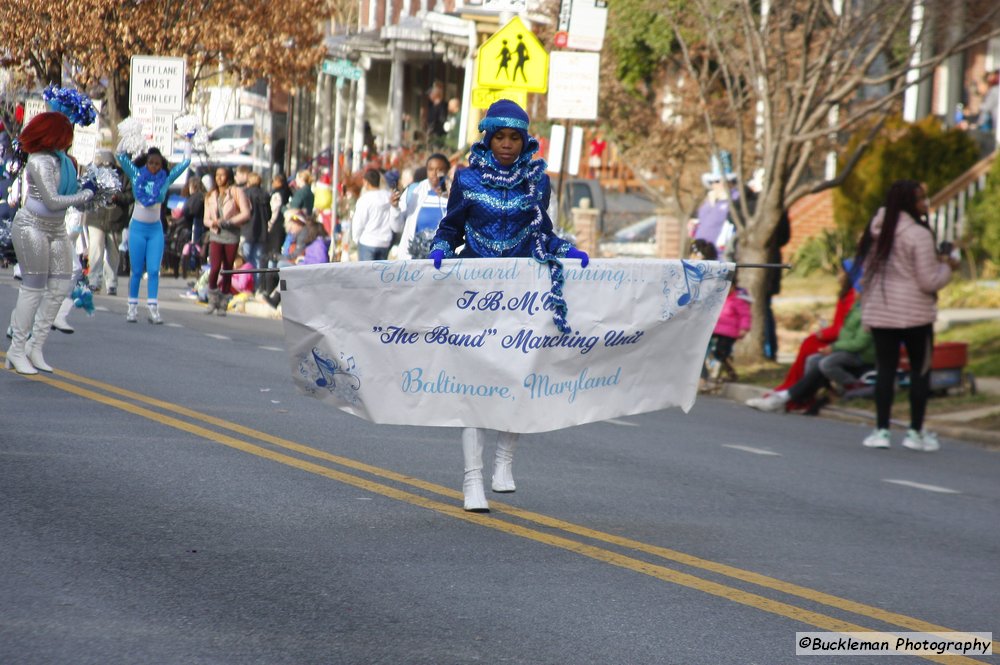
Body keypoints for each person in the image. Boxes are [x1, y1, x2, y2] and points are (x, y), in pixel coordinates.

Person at [427, 99, 589, 513]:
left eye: (514, 137)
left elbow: (543, 235)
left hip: (521, 293)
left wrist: (566, 251)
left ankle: (504, 463)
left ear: (524, 140)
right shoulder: (465, 179)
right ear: (488, 137)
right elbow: (451, 225)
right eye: (499, 136)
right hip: (474, 291)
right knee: (471, 384)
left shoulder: (537, 180)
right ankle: (471, 480)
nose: (506, 144)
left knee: (517, 377)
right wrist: (442, 246)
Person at [855, 180, 957, 452]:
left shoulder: (877, 231)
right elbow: (928, 281)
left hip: (881, 311)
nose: (926, 203)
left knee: (885, 370)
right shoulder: (918, 235)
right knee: (919, 372)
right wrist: (947, 266)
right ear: (909, 204)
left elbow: (865, 274)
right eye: (922, 199)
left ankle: (881, 431)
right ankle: (914, 432)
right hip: (915, 315)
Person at [5, 111, 94, 374]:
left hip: (56, 228)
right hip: (32, 226)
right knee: (33, 290)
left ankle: (36, 345)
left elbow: (70, 192)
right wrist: (84, 196)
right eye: (66, 135)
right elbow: (52, 200)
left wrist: (92, 190)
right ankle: (17, 349)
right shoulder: (39, 161)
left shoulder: (64, 161)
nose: (70, 140)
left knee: (60, 286)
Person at [750, 260, 862, 411]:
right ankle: (793, 390)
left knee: (813, 351)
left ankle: (795, 395)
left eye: (842, 272)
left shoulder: (854, 300)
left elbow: (850, 333)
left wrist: (830, 342)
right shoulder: (847, 297)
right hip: (842, 341)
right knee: (810, 350)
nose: (839, 275)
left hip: (848, 346)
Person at [747, 300, 874, 412]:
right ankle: (805, 397)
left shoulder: (870, 309)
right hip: (845, 348)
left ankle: (788, 397)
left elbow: (860, 342)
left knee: (826, 363)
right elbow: (845, 331)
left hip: (860, 354)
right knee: (813, 359)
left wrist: (834, 347)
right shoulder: (857, 305)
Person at [117, 144, 191, 324]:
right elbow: (120, 157)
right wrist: (127, 138)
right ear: (146, 162)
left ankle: (153, 308)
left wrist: (188, 141)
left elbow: (185, 162)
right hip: (137, 229)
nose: (154, 166)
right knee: (136, 271)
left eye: (158, 164)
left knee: (153, 270)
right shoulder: (137, 175)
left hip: (155, 229)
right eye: (151, 163)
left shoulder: (165, 178)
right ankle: (132, 308)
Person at [203, 166, 250, 316]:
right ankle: (212, 300)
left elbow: (246, 213)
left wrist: (229, 222)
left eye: (222, 175)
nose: (219, 178)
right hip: (216, 233)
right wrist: (212, 223)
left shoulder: (236, 192)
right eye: (217, 175)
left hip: (231, 234)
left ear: (228, 177)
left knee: (228, 267)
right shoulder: (211, 195)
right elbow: (205, 218)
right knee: (215, 267)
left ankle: (223, 302)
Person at [84, 149, 126, 297]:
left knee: (113, 253)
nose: (106, 167)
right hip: (96, 218)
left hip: (115, 219)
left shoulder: (122, 175)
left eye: (109, 165)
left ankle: (112, 283)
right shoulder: (93, 174)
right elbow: (85, 191)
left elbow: (129, 195)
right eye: (103, 164)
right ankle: (94, 281)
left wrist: (117, 197)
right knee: (96, 250)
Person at [396, 154, 449, 260]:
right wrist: (394, 208)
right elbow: (396, 227)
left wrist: (451, 198)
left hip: (443, 259)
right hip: (415, 259)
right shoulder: (415, 191)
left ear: (447, 171)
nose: (435, 174)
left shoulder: (456, 192)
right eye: (431, 169)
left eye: (440, 170)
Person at [703, 278, 752, 382]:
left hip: (729, 332)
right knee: (711, 352)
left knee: (721, 352)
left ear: (733, 287)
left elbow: (745, 315)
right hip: (715, 330)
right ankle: (718, 372)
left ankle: (722, 373)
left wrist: (743, 328)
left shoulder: (738, 300)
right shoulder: (718, 298)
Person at [351, 168, 401, 261]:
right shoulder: (389, 196)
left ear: (365, 182)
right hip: (385, 242)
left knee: (366, 273)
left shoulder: (365, 199)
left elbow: (359, 222)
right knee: (380, 274)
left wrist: (356, 238)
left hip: (367, 241)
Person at [241, 171, 271, 291]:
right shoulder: (265, 195)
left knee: (246, 260)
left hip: (248, 230)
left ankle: (246, 285)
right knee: (258, 262)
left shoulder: (246, 194)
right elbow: (268, 215)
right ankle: (257, 288)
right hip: (262, 232)